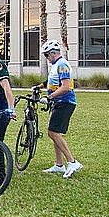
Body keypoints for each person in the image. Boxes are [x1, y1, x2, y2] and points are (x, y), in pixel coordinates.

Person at [37, 39, 82, 178]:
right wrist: (39, 87)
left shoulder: (62, 65)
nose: (46, 59)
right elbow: (51, 81)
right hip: (59, 103)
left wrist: (49, 98)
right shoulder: (57, 65)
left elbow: (65, 86)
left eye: (46, 55)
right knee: (55, 133)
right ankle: (59, 165)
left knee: (53, 133)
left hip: (65, 102)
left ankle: (72, 162)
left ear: (52, 53)